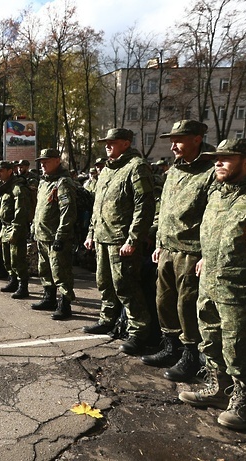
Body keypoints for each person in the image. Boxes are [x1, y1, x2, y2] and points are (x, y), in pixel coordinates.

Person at [178, 138, 246, 430]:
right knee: (211, 340)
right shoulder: (218, 193)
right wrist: (204, 257)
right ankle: (218, 389)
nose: (218, 162)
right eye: (217, 157)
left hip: (244, 289)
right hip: (211, 283)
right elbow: (214, 233)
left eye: (227, 158)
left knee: (240, 348)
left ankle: (243, 403)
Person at [141, 120, 214, 382]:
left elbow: (213, 216)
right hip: (169, 248)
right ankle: (171, 346)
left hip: (192, 251)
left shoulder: (211, 171)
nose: (173, 145)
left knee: (187, 305)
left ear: (197, 138)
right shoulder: (175, 171)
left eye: (179, 139)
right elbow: (165, 210)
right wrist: (159, 242)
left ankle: (191, 354)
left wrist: (207, 254)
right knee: (164, 300)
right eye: (172, 140)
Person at [83, 128, 155, 355]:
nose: (107, 145)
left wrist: (133, 239)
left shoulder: (136, 167)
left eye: (112, 142)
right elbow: (98, 206)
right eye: (106, 142)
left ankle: (139, 331)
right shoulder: (107, 170)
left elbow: (144, 207)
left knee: (126, 286)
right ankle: (107, 318)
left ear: (126, 143)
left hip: (121, 240)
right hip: (103, 237)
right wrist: (91, 234)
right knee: (104, 282)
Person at [31, 149, 77, 319]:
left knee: (60, 271)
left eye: (47, 161)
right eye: (41, 161)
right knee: (45, 269)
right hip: (42, 234)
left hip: (55, 237)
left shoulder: (63, 182)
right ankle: (49, 297)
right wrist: (34, 228)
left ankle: (65, 304)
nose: (42, 164)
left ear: (57, 161)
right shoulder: (44, 182)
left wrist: (61, 235)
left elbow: (68, 211)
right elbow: (39, 208)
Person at [0, 161, 34, 298]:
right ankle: (13, 280)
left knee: (17, 258)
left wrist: (15, 231)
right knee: (7, 258)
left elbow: (21, 211)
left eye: (1, 171)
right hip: (5, 227)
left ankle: (23, 286)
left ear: (10, 171)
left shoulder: (17, 188)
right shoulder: (3, 187)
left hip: (15, 227)